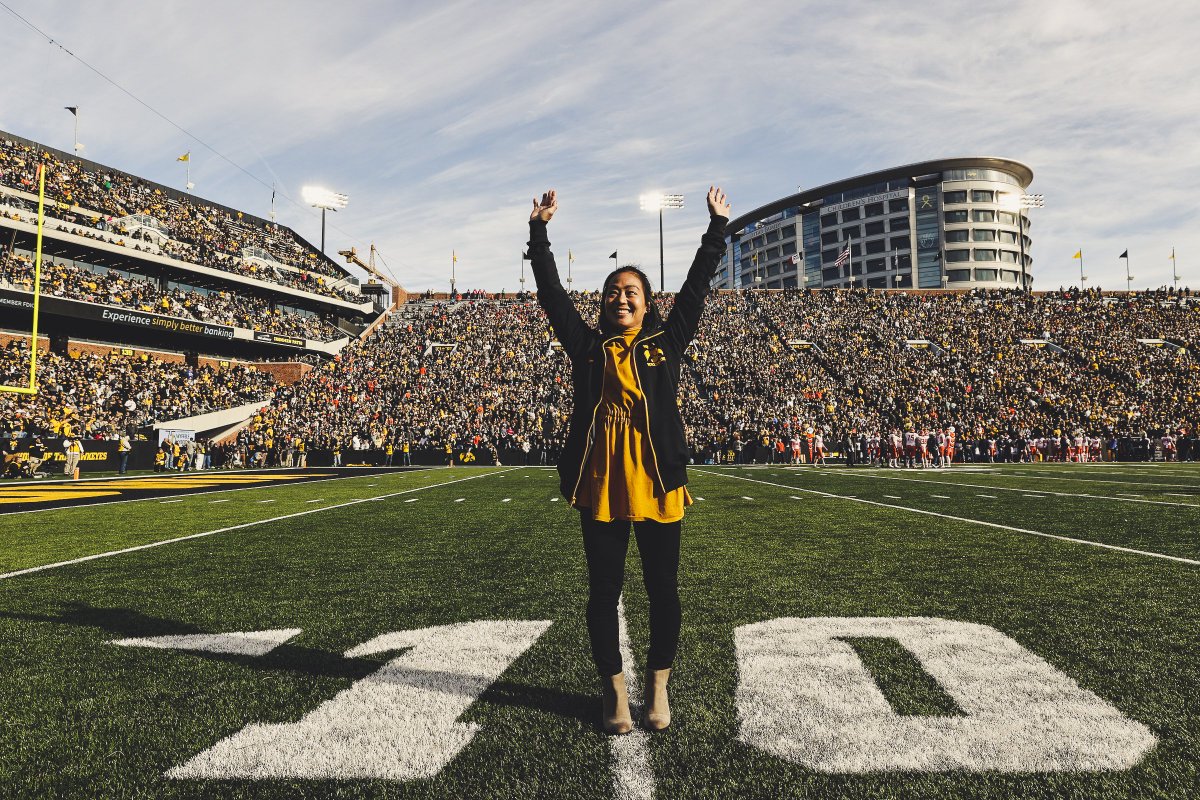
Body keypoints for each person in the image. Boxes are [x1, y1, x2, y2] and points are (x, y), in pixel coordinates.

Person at [527, 185, 730, 735]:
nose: (622, 297)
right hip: (602, 482)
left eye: (633, 291)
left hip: (659, 480)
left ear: (646, 301)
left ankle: (659, 686)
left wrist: (716, 229)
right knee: (603, 592)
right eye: (615, 291)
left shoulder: (668, 339)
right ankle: (614, 692)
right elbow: (549, 295)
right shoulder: (587, 346)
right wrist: (539, 231)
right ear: (604, 301)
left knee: (664, 589)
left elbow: (695, 289)